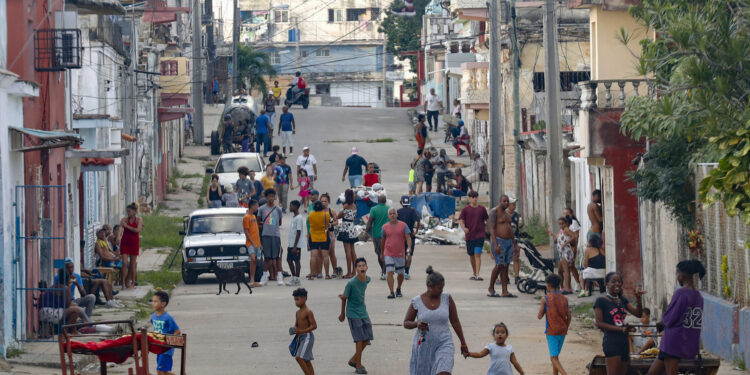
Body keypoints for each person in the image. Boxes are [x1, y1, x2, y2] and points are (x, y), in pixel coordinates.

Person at [404, 266, 469, 374]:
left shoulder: (447, 298)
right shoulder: (417, 301)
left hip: (444, 342)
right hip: (424, 345)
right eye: (439, 288)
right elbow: (406, 323)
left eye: (443, 287)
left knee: (444, 371)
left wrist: (463, 343)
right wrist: (417, 323)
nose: (441, 290)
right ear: (430, 286)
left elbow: (455, 321)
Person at [646, 260, 705, 375]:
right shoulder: (699, 296)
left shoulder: (681, 293)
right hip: (686, 340)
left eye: (677, 274)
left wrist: (660, 324)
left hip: (673, 342)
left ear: (682, 274)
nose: (677, 277)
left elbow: (669, 318)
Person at [593, 272, 645, 375]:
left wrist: (638, 298)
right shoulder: (601, 301)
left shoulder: (622, 300)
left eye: (619, 281)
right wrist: (621, 329)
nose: (617, 284)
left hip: (624, 342)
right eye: (613, 281)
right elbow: (599, 323)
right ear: (606, 284)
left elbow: (638, 314)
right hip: (612, 342)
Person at [338, 258, 372, 375]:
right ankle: (358, 365)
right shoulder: (351, 283)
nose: (362, 267)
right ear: (356, 269)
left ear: (366, 267)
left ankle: (353, 359)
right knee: (359, 339)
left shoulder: (367, 279)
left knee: (367, 338)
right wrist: (342, 314)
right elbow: (344, 298)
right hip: (352, 313)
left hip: (363, 312)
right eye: (359, 266)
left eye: (364, 265)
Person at [537, 274, 571, 375]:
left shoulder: (546, 299)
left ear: (548, 285)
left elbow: (539, 316)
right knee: (556, 356)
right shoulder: (565, 298)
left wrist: (542, 308)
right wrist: (566, 328)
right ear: (559, 284)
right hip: (563, 331)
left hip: (552, 331)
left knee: (553, 358)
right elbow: (569, 316)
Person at [488, 195, 516, 298]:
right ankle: (491, 288)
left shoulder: (507, 214)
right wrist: (495, 244)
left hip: (509, 242)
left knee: (506, 265)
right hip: (499, 241)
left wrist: (514, 242)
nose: (506, 203)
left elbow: (510, 228)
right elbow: (491, 229)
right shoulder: (494, 212)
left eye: (507, 201)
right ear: (500, 201)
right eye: (504, 201)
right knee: (499, 265)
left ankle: (505, 291)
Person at [381, 208, 411, 299]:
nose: (392, 215)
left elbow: (408, 238)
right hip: (388, 253)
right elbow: (382, 240)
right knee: (389, 271)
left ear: (397, 215)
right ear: (388, 216)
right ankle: (391, 292)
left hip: (400, 253)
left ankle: (398, 289)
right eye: (390, 214)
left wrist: (409, 248)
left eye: (394, 213)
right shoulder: (384, 227)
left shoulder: (403, 225)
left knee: (400, 273)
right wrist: (382, 253)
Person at [459, 190, 488, 281]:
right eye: (473, 197)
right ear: (469, 198)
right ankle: (474, 272)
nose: (475, 199)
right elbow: (461, 220)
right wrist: (464, 228)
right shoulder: (466, 210)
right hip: (470, 236)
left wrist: (488, 229)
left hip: (480, 235)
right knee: (471, 255)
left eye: (476, 197)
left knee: (477, 254)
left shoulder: (482, 209)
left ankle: (478, 274)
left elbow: (487, 219)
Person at [151, 290, 181, 375]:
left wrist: (169, 344)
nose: (153, 303)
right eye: (152, 301)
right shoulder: (153, 317)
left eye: (156, 301)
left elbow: (177, 331)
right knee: (164, 372)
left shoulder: (168, 318)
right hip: (158, 348)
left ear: (163, 304)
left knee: (159, 371)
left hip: (166, 350)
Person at [258, 189, 284, 286]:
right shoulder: (262, 209)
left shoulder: (278, 209)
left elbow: (280, 222)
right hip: (266, 235)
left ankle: (279, 276)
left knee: (277, 257)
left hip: (276, 235)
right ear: (266, 197)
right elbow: (258, 221)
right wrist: (265, 225)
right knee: (267, 257)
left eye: (273, 196)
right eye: (269, 196)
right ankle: (264, 276)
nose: (271, 198)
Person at [547, 217, 576, 294]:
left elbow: (573, 236)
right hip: (561, 252)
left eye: (563, 223)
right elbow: (558, 238)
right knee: (560, 270)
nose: (561, 225)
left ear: (566, 223)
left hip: (566, 251)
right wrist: (551, 234)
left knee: (566, 271)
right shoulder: (561, 231)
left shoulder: (566, 229)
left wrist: (566, 243)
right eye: (560, 224)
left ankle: (568, 288)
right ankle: (561, 287)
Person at [291, 288, 316, 375]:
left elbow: (314, 326)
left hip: (307, 337)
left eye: (297, 299)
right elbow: (296, 324)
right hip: (300, 338)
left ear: (304, 299)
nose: (296, 302)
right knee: (306, 359)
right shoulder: (297, 312)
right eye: (295, 300)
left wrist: (302, 331)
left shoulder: (308, 312)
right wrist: (294, 329)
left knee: (299, 357)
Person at [365, 195, 389, 280]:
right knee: (385, 253)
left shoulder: (373, 209)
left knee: (379, 254)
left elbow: (370, 222)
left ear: (377, 201)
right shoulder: (389, 209)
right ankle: (384, 271)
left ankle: (383, 271)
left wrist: (366, 233)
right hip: (387, 235)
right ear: (385, 201)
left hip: (376, 235)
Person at [336, 190, 359, 279]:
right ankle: (354, 271)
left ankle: (349, 272)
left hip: (345, 228)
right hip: (352, 228)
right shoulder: (354, 205)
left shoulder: (345, 206)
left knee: (347, 252)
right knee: (353, 251)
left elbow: (339, 216)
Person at [120, 203, 142, 290]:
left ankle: (132, 283)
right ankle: (123, 283)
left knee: (133, 264)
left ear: (134, 211)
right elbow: (121, 229)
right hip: (125, 242)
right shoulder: (124, 220)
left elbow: (137, 230)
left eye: (129, 211)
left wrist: (127, 226)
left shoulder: (139, 220)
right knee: (125, 262)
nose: (128, 213)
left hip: (134, 243)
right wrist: (118, 237)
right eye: (127, 211)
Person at [397, 195, 420, 279]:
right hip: (410, 235)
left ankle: (402, 270)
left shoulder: (398, 212)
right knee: (409, 253)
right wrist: (416, 231)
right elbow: (418, 220)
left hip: (401, 236)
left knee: (402, 254)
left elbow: (394, 222)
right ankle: (407, 272)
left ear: (401, 202)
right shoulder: (413, 211)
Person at [307, 200, 331, 280]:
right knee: (325, 256)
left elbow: (309, 222)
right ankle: (327, 274)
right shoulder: (326, 215)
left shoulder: (311, 214)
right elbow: (328, 223)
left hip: (313, 237)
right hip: (324, 236)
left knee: (313, 256)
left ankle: (312, 275)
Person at [243, 199, 263, 287]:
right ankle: (251, 279)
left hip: (257, 243)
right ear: (252, 206)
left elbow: (256, 231)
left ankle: (253, 280)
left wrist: (259, 243)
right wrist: (253, 243)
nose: (257, 207)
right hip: (250, 243)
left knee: (255, 261)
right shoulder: (246, 217)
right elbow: (246, 231)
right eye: (256, 205)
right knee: (253, 258)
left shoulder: (254, 217)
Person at [320, 193, 341, 278]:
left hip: (330, 234)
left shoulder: (331, 211)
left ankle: (335, 271)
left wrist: (331, 224)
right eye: (322, 201)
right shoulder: (318, 211)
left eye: (325, 201)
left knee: (331, 253)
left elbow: (337, 221)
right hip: (321, 234)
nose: (323, 203)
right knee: (322, 254)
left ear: (328, 202)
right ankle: (320, 272)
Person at [286, 200, 305, 286]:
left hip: (296, 245)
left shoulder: (299, 218)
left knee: (296, 261)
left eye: (291, 206)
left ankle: (297, 279)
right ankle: (294, 277)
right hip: (291, 244)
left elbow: (298, 232)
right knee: (289, 260)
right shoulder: (294, 217)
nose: (290, 208)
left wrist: (295, 246)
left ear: (296, 207)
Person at [563, 207, 582, 292]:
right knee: (569, 266)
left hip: (572, 247)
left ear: (571, 214)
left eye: (567, 213)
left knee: (571, 266)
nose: (565, 215)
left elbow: (576, 236)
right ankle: (574, 284)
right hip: (567, 248)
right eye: (564, 213)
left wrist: (574, 248)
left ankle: (577, 283)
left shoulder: (573, 223)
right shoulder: (566, 223)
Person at [507, 198, 522, 284]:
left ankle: (517, 276)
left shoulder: (517, 215)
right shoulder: (504, 214)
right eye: (513, 204)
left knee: (516, 258)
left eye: (515, 205)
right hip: (506, 239)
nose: (514, 206)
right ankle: (506, 276)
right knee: (507, 259)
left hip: (516, 239)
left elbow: (519, 227)